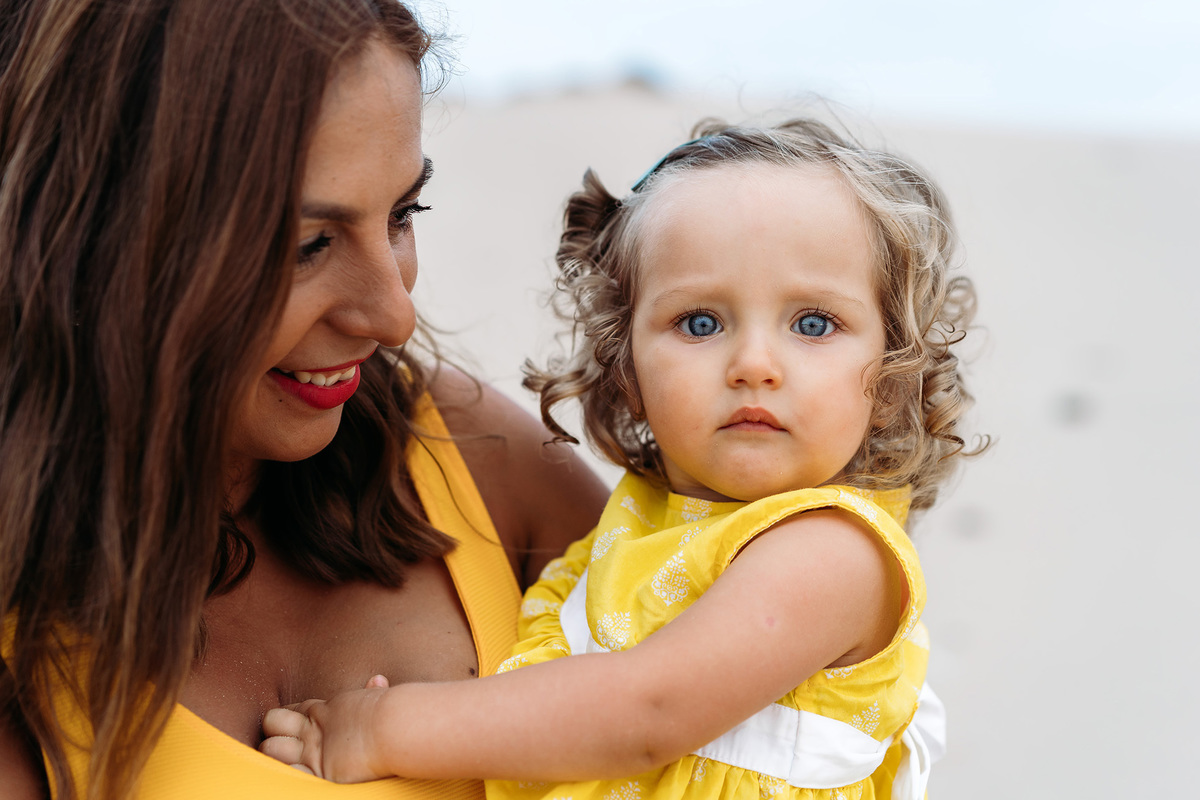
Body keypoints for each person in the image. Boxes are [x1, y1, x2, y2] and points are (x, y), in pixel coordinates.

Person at [258, 118, 987, 799]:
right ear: (627, 372)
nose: (755, 364)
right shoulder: (642, 526)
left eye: (814, 322)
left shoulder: (833, 553)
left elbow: (646, 712)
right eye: (700, 322)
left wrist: (389, 730)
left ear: (892, 376)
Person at [0, 1, 610, 799]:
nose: (393, 317)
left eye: (402, 214)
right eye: (304, 247)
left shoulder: (472, 456)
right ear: (94, 241)